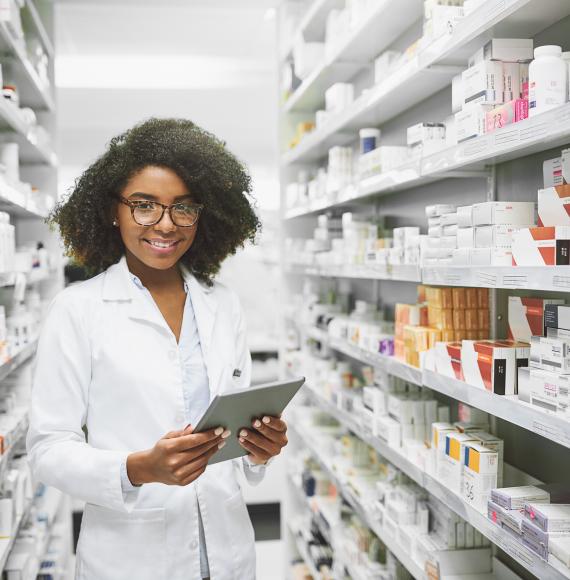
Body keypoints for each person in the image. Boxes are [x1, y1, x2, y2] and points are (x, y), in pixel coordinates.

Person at [26, 118, 289, 580]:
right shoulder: (78, 309)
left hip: (227, 552)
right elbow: (49, 448)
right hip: (131, 557)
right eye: (144, 206)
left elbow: (234, 431)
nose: (165, 225)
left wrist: (259, 449)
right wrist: (138, 468)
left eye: (183, 208)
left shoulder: (222, 304)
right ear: (113, 211)